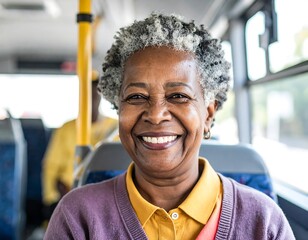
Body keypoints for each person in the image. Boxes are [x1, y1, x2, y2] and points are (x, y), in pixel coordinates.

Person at [44, 13, 295, 239]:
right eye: (136, 97)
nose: (155, 115)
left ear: (208, 113)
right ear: (119, 110)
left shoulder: (264, 222)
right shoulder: (77, 217)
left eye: (178, 96)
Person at [42, 70, 118, 220]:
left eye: (94, 93)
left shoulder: (116, 128)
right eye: (86, 94)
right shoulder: (66, 129)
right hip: (69, 192)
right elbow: (51, 167)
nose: (90, 99)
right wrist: (53, 200)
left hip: (108, 195)